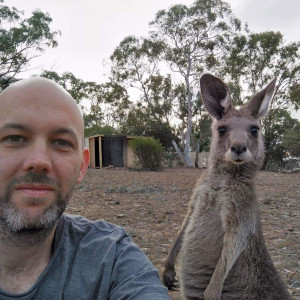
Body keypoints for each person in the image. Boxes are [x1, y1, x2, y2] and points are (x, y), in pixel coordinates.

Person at [0, 78, 171, 300]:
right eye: (15, 138)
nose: (39, 161)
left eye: (61, 142)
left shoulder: (112, 259)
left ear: (82, 166)